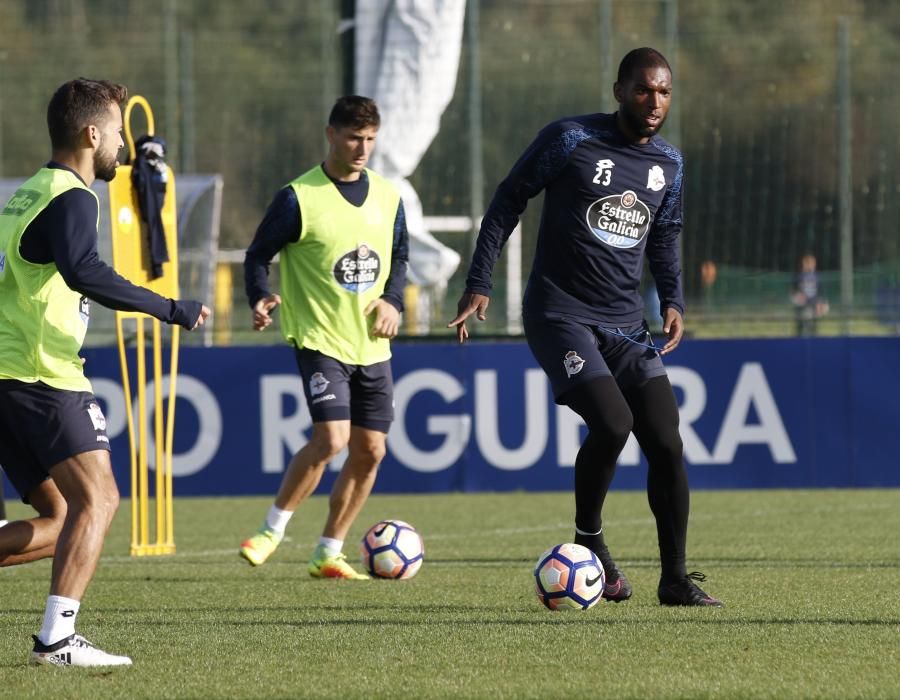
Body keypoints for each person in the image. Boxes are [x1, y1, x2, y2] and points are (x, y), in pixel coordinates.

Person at [449, 48, 722, 607]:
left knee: (667, 442)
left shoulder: (669, 164)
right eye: (644, 89)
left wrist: (672, 298)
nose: (655, 102)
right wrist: (480, 281)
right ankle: (589, 540)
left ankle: (674, 580)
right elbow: (508, 200)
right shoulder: (571, 139)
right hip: (560, 314)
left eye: (665, 92)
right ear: (619, 88)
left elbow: (665, 237)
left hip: (626, 325)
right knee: (614, 422)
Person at [0, 78, 211, 666]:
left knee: (60, 518)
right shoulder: (72, 195)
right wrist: (171, 309)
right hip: (42, 375)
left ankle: (57, 637)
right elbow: (84, 270)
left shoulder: (26, 193)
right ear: (92, 134)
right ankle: (57, 641)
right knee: (101, 500)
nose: (123, 143)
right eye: (118, 132)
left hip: (10, 374)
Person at [239, 95, 409, 580]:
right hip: (319, 338)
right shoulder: (298, 198)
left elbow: (399, 256)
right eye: (354, 137)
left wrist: (393, 301)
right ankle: (272, 530)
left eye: (371, 139)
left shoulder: (388, 196)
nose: (362, 148)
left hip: (372, 344)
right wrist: (260, 295)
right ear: (331, 133)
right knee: (332, 438)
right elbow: (257, 255)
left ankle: (328, 550)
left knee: (371, 450)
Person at [791, 252, 828, 336]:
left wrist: (822, 303)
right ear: (803, 264)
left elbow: (821, 291)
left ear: (814, 264)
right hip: (802, 304)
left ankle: (814, 339)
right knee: (800, 325)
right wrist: (797, 297)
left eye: (811, 263)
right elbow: (793, 290)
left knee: (814, 326)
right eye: (806, 262)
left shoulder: (817, 276)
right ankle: (798, 340)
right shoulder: (798, 276)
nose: (809, 265)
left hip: (814, 304)